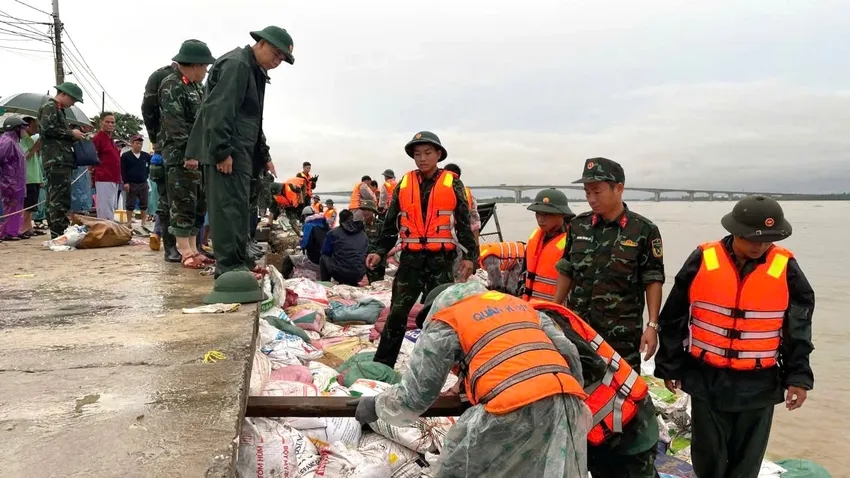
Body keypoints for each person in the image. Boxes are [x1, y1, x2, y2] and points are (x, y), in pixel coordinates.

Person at [350, 281, 590, 477]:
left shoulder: (447, 318)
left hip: (512, 407)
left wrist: (378, 406)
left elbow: (417, 394)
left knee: (458, 470)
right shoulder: (519, 306)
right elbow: (567, 352)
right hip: (568, 404)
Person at [654, 195, 814, 478]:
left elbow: (798, 328)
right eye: (752, 238)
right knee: (709, 459)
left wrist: (798, 377)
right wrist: (670, 365)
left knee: (746, 465)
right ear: (734, 231)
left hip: (759, 385)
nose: (759, 246)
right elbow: (674, 315)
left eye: (766, 239)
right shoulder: (704, 258)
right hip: (707, 380)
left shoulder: (785, 267)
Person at [186, 25, 294, 281]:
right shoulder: (237, 65)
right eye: (277, 54)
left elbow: (252, 119)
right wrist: (222, 151)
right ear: (262, 43)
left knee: (239, 209)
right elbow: (219, 110)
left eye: (282, 59)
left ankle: (239, 260)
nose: (278, 61)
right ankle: (228, 268)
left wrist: (264, 155)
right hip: (229, 152)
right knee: (226, 208)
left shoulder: (254, 70)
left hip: (243, 152)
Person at [366, 131, 478, 368]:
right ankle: (383, 365)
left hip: (441, 260)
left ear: (438, 154)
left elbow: (463, 222)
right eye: (417, 154)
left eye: (428, 153)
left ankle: (442, 368)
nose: (422, 158)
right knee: (397, 314)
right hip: (410, 261)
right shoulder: (404, 184)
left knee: (439, 316)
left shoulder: (453, 183)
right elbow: (390, 223)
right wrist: (379, 250)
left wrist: (470, 256)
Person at [553, 158, 665, 374]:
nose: (591, 199)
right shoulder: (578, 225)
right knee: (580, 387)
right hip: (579, 330)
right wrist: (554, 310)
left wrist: (652, 326)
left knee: (623, 397)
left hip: (621, 337)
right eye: (587, 193)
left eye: (597, 192)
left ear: (619, 188)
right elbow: (567, 268)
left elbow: (653, 279)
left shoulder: (643, 230)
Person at [532, 298, 660, 478]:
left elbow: (584, 367)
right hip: (603, 429)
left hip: (627, 424)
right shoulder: (531, 321)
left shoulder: (541, 326)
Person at [159, 39, 216, 269]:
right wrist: (189, 154)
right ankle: (184, 251)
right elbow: (176, 125)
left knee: (196, 204)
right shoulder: (172, 85)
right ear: (194, 64)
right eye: (204, 67)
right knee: (182, 203)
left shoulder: (194, 86)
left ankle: (194, 248)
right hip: (181, 156)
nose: (206, 72)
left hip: (198, 156)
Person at [141, 49, 182, 261]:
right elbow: (148, 109)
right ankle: (170, 247)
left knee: (187, 201)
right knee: (167, 200)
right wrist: (155, 140)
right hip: (166, 147)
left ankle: (187, 247)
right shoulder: (161, 76)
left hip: (187, 149)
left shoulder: (192, 82)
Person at [38, 82, 86, 239]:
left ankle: (57, 232)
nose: (73, 103)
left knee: (56, 197)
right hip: (56, 159)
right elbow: (48, 129)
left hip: (60, 158)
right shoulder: (50, 107)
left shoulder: (59, 110)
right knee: (59, 198)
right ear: (64, 94)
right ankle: (59, 233)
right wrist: (72, 134)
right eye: (73, 99)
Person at [521, 188, 575, 302]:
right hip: (530, 308)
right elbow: (524, 274)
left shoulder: (573, 240)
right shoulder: (535, 237)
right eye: (538, 214)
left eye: (547, 215)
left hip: (557, 311)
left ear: (561, 215)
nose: (541, 219)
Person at [320, 209, 368, 286]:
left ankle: (326, 284)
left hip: (340, 274)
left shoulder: (333, 233)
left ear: (340, 220)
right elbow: (365, 251)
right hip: (359, 274)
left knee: (323, 257)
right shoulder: (363, 234)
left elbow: (325, 251)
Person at [91, 113, 123, 221]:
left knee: (111, 207)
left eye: (112, 122)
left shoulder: (111, 140)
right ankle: (105, 232)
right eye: (107, 122)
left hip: (114, 178)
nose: (110, 124)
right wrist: (90, 174)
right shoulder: (98, 138)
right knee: (105, 209)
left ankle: (108, 231)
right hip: (104, 177)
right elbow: (92, 158)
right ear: (102, 123)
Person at [0, 116, 27, 241]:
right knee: (10, 208)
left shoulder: (14, 141)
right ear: (16, 128)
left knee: (16, 208)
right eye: (22, 128)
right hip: (9, 183)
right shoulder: (7, 142)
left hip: (17, 183)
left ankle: (13, 230)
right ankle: (6, 232)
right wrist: (6, 181)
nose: (25, 131)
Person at [443, 163, 480, 244]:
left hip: (448, 241)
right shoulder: (467, 194)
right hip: (446, 242)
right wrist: (476, 245)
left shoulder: (434, 192)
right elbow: (475, 222)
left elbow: (475, 222)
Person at [19, 116, 44, 238]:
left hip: (34, 175)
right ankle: (23, 227)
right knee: (27, 204)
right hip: (27, 176)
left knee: (32, 204)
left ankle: (29, 226)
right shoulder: (22, 140)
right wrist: (34, 149)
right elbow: (23, 156)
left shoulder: (31, 139)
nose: (36, 128)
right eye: (34, 126)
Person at [121, 135, 152, 229]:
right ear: (132, 144)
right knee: (130, 203)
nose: (139, 145)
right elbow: (123, 170)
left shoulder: (146, 156)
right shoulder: (125, 156)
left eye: (140, 144)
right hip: (131, 182)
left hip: (143, 182)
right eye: (137, 143)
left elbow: (150, 168)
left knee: (144, 203)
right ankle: (129, 221)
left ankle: (143, 222)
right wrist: (125, 182)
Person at [355, 199, 384, 283]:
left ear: (373, 211)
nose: (365, 212)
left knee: (378, 284)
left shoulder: (380, 224)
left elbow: (383, 243)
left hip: (377, 261)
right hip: (363, 259)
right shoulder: (359, 225)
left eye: (368, 210)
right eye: (364, 210)